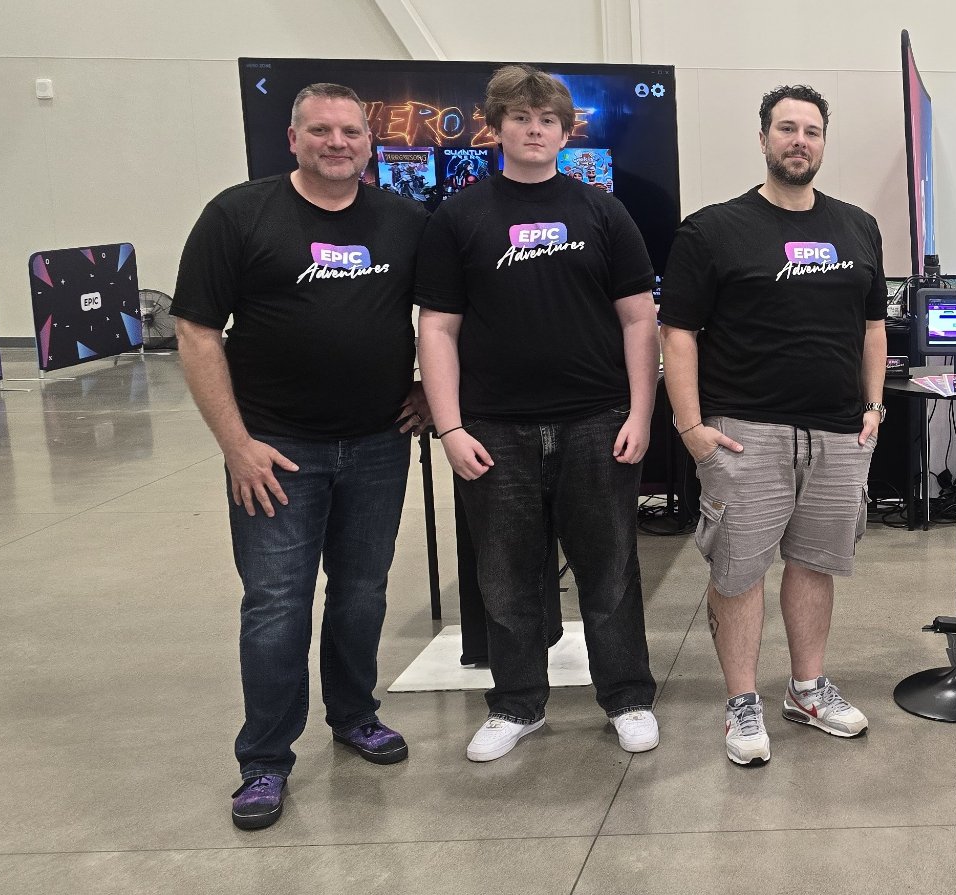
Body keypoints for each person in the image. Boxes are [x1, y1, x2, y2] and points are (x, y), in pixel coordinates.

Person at [173, 83, 429, 831]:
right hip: (274, 451)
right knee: (277, 604)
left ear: (369, 142)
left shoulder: (404, 221)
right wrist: (237, 445)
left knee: (362, 591)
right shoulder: (238, 214)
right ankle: (263, 760)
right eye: (320, 129)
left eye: (350, 130)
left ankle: (354, 715)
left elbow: (443, 317)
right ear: (293, 139)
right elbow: (195, 332)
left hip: (381, 443)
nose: (337, 142)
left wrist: (425, 390)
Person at [414, 64, 661, 763]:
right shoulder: (459, 217)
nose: (533, 129)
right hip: (493, 428)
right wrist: (450, 426)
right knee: (504, 575)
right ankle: (517, 702)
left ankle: (628, 696)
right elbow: (437, 328)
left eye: (546, 119)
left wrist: (640, 413)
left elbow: (639, 321)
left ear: (565, 130)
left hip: (597, 420)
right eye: (519, 118)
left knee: (609, 572)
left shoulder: (602, 211)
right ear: (497, 127)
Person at [659, 84, 884, 767]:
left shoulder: (857, 226)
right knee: (739, 570)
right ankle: (741, 701)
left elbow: (873, 326)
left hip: (838, 432)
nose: (799, 141)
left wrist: (872, 408)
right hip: (742, 431)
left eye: (812, 131)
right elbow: (679, 334)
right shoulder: (712, 229)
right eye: (786, 128)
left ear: (823, 142)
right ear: (763, 139)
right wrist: (692, 426)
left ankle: (807, 690)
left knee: (815, 564)